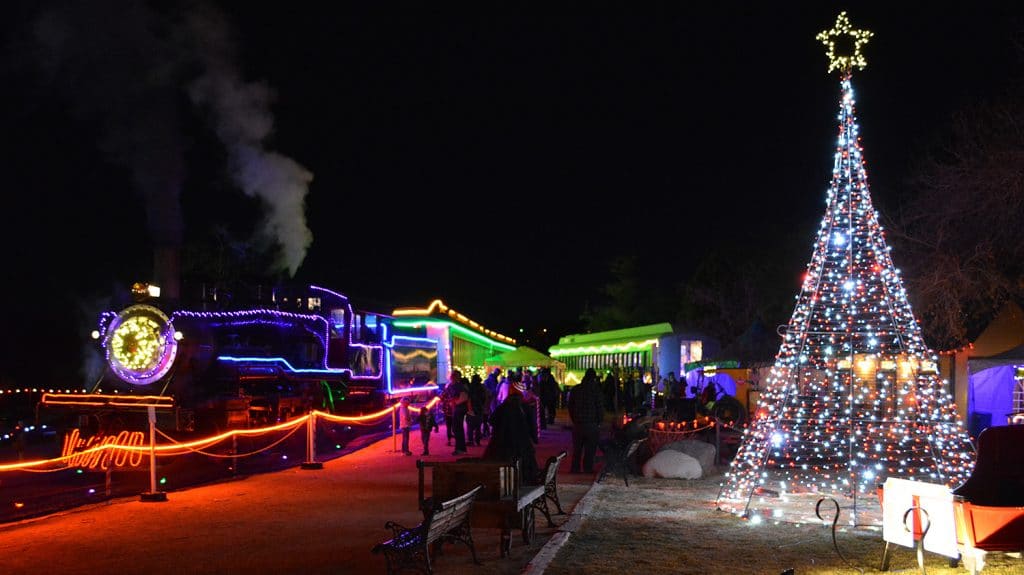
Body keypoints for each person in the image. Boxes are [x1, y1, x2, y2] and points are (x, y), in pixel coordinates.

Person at [483, 377, 539, 481]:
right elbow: (532, 424)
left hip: (503, 443)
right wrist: (534, 438)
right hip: (522, 442)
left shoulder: (504, 406)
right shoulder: (524, 406)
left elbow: (492, 420)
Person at [568, 368, 604, 474]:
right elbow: (600, 407)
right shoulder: (596, 390)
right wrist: (599, 421)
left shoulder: (576, 389)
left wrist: (574, 419)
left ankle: (575, 468)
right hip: (592, 424)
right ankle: (587, 468)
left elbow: (570, 406)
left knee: (577, 449)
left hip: (578, 424)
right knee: (590, 449)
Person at [446, 369, 470, 455]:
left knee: (457, 428)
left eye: (453, 376)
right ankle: (461, 448)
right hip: (457, 408)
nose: (452, 377)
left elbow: (464, 397)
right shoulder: (455, 386)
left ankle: (459, 448)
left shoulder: (458, 386)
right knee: (457, 428)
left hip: (458, 408)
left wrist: (454, 402)